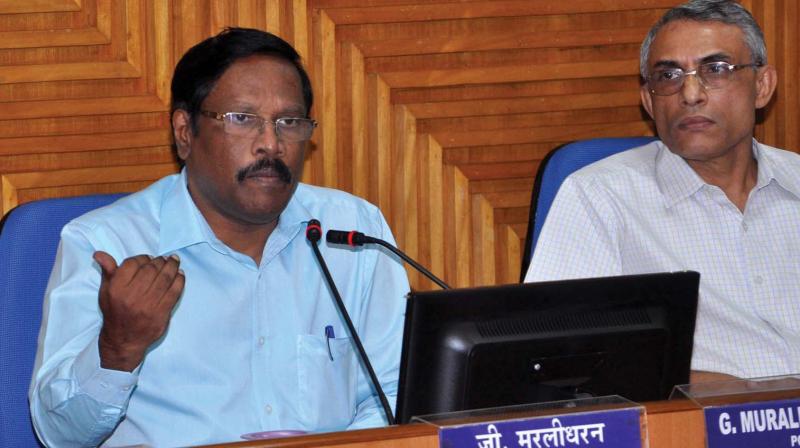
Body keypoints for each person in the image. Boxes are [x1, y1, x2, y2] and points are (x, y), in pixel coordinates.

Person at [29, 28, 409, 447]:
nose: (271, 144)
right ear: (184, 132)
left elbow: (395, 398)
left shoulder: (353, 233)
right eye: (242, 119)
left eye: (289, 122)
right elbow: (58, 436)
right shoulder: (107, 243)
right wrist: (118, 348)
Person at [525, 0, 800, 383]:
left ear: (763, 86)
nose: (690, 94)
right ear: (648, 101)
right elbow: (557, 357)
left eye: (715, 70)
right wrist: (692, 389)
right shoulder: (600, 196)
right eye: (668, 76)